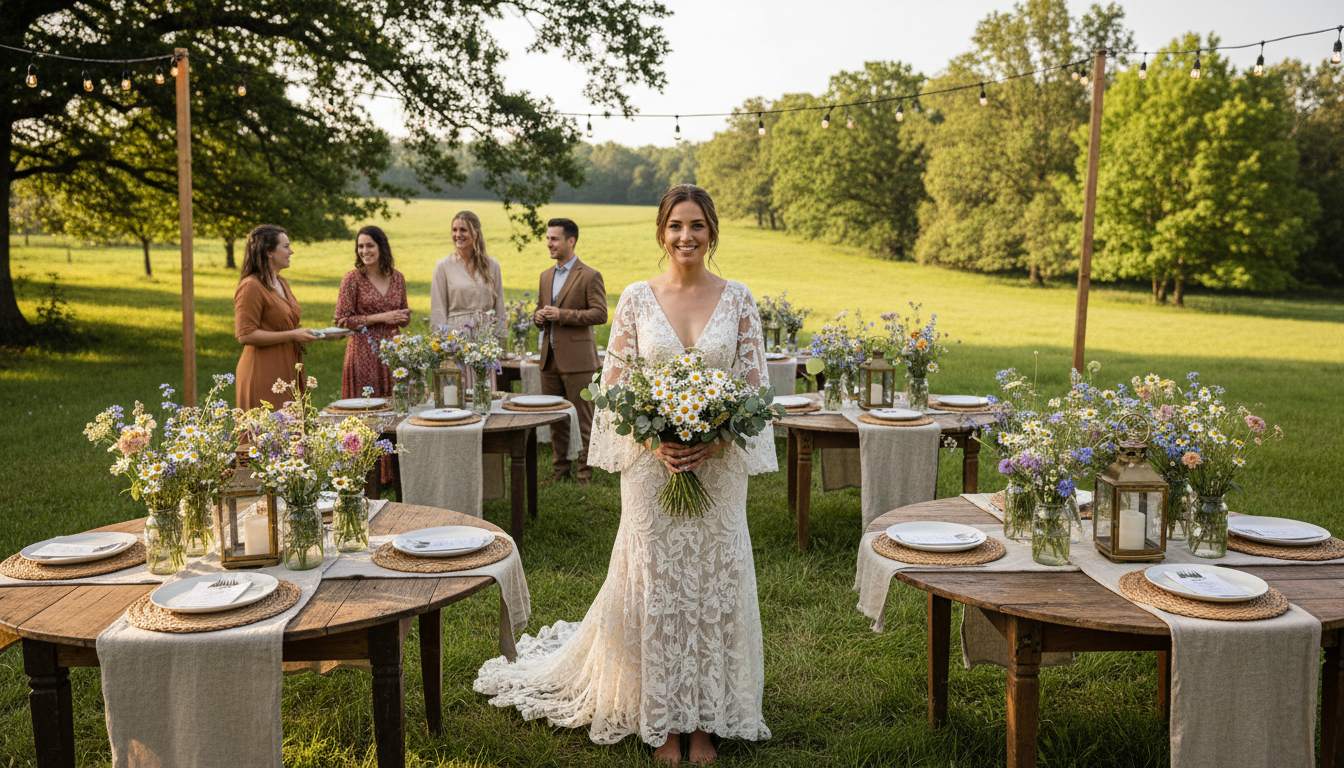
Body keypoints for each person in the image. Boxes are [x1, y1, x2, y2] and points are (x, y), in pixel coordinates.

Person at [475, 185, 775, 766]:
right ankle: (662, 717)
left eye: (697, 225)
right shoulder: (638, 298)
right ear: (661, 232)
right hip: (651, 471)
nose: (686, 236)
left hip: (716, 472)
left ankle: (706, 718)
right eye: (675, 226)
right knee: (656, 585)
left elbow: (754, 390)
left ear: (712, 231)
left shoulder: (738, 300)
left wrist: (715, 440)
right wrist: (656, 441)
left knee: (714, 582)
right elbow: (612, 392)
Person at [534, 217, 607, 487]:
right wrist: (538, 317)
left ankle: (584, 475)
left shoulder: (589, 275)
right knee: (556, 419)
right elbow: (541, 310)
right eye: (547, 239)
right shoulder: (545, 276)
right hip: (549, 359)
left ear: (571, 241)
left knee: (584, 420)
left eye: (554, 239)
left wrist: (562, 314)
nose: (549, 244)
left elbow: (600, 314)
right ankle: (560, 471)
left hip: (579, 361)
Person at [234, 225, 318, 410]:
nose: (291, 251)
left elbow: (284, 324)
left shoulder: (281, 282)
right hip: (263, 370)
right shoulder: (251, 286)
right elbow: (245, 335)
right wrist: (292, 335)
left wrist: (318, 334)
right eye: (286, 246)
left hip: (288, 366)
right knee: (268, 426)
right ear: (269, 252)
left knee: (292, 425)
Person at [429, 210, 506, 390]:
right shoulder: (443, 266)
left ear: (475, 232)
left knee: (484, 389)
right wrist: (443, 345)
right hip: (456, 338)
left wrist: (500, 340)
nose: (458, 234)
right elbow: (438, 308)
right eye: (454, 230)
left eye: (463, 230)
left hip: (484, 337)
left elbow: (499, 305)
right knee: (457, 392)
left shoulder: (492, 265)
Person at [334, 225, 411, 398]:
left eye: (370, 246)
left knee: (395, 402)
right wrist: (382, 317)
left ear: (381, 247)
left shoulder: (397, 278)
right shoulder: (352, 279)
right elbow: (341, 320)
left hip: (392, 350)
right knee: (366, 405)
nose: (364, 251)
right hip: (363, 352)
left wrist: (401, 317)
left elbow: (404, 319)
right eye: (360, 246)